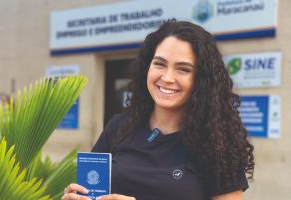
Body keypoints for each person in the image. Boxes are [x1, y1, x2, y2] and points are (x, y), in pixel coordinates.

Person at [62, 20, 254, 200]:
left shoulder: (218, 142)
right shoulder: (118, 127)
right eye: (160, 64)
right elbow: (90, 190)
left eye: (183, 69)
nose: (167, 77)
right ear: (148, 67)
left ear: (201, 80)